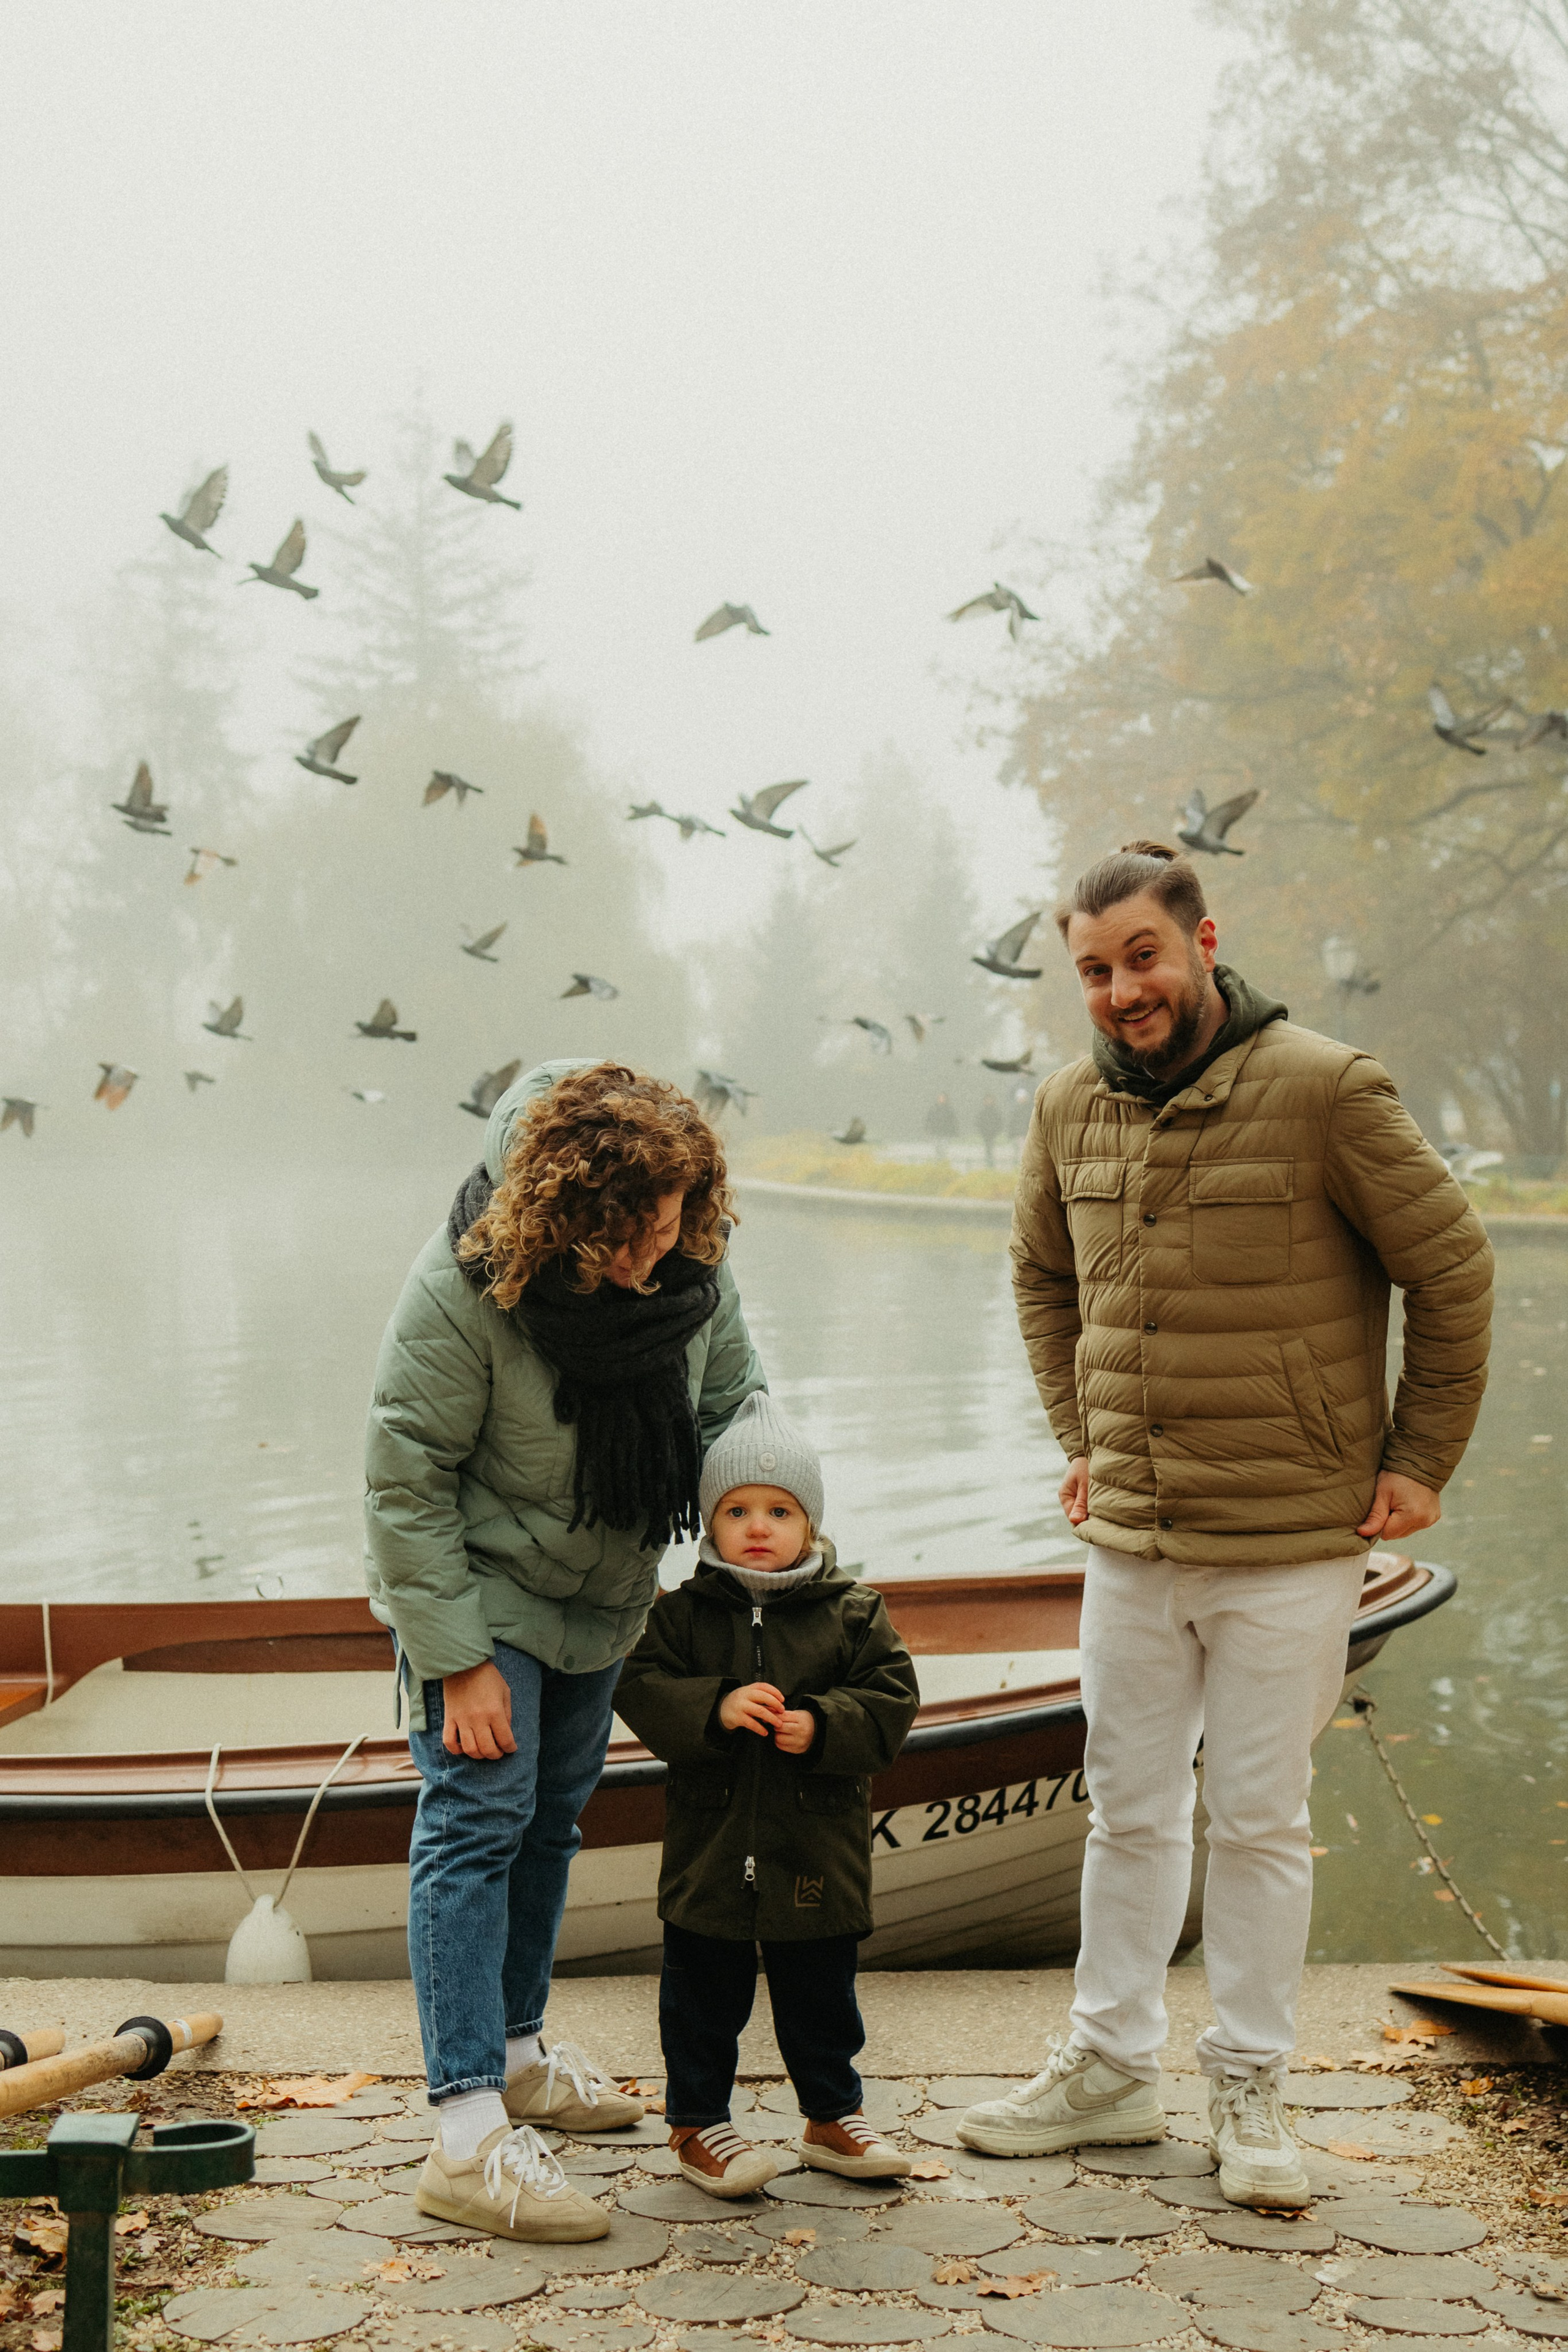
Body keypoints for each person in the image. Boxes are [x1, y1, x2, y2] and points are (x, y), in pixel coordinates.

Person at [960, 843, 1492, 2206]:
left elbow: (1450, 1269)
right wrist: (1081, 1442)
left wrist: (1418, 1455)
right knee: (1124, 1814)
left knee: (1254, 1818)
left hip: (1290, 1540)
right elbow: (1037, 1278)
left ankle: (1250, 2085)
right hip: (1131, 1541)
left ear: (1203, 941)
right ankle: (1108, 2071)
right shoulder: (1066, 1106)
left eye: (1140, 955)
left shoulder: (1327, 1089)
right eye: (1092, 970)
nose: (1121, 989)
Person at [364, 1059, 767, 2240]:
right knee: (477, 1820)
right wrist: (454, 1659)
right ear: (561, 1210)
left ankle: (522, 2051)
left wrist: (765, 1536)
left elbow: (732, 1401)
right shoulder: (464, 1283)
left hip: (605, 1595)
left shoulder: (691, 1251)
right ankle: (467, 2136)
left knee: (551, 1818)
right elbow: (403, 1475)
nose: (652, 1260)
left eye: (668, 1229)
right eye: (625, 1237)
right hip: (483, 1598)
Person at [616, 1392, 920, 2198]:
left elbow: (890, 1704)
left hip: (815, 1845)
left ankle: (832, 2114)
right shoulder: (679, 1618)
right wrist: (713, 1706)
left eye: (780, 1510)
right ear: (710, 1524)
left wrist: (824, 1724)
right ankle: (697, 2122)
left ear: (809, 1522)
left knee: (822, 1990)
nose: (758, 1526)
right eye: (738, 1509)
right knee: (702, 1993)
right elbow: (640, 1686)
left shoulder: (854, 1614)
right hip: (712, 1848)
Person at [975, 1092, 1003, 1168]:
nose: (989, 1102)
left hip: (994, 1134)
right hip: (985, 1134)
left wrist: (996, 1132)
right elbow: (979, 1123)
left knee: (993, 1149)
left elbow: (999, 1123)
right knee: (987, 1149)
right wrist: (982, 1132)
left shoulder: (996, 1112)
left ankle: (992, 1164)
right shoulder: (983, 1113)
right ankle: (988, 1163)